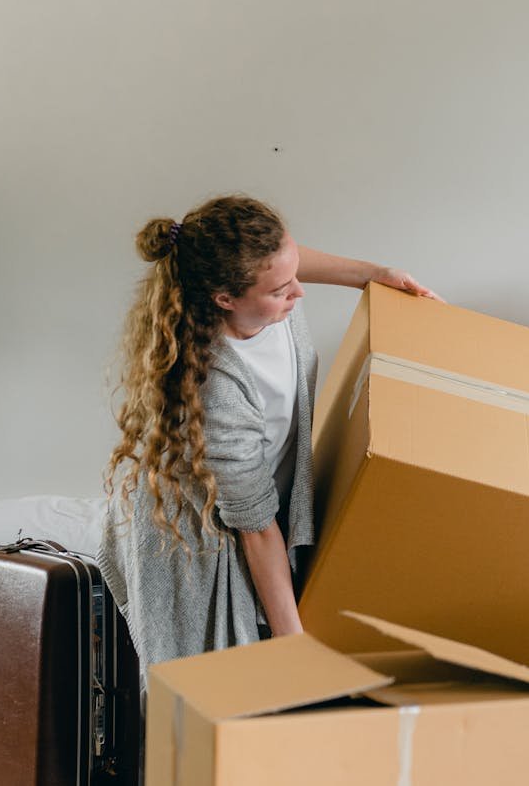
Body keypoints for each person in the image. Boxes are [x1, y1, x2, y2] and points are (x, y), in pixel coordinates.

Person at [99, 194, 441, 669]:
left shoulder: (267, 297)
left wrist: (376, 273)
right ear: (226, 298)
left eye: (294, 274)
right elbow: (256, 529)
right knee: (222, 688)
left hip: (254, 511)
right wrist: (291, 645)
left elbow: (287, 260)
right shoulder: (213, 386)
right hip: (194, 540)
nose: (299, 293)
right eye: (282, 289)